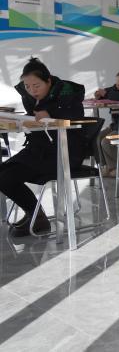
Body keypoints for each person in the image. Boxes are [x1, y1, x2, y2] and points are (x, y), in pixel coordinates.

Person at [0, 58, 85, 237]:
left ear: (49, 81)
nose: (32, 90)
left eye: (36, 85)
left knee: (6, 178)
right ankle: (35, 214)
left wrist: (52, 117)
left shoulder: (68, 95)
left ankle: (37, 218)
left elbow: (74, 123)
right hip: (39, 150)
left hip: (64, 154)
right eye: (27, 86)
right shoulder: (30, 98)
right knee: (3, 173)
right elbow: (35, 121)